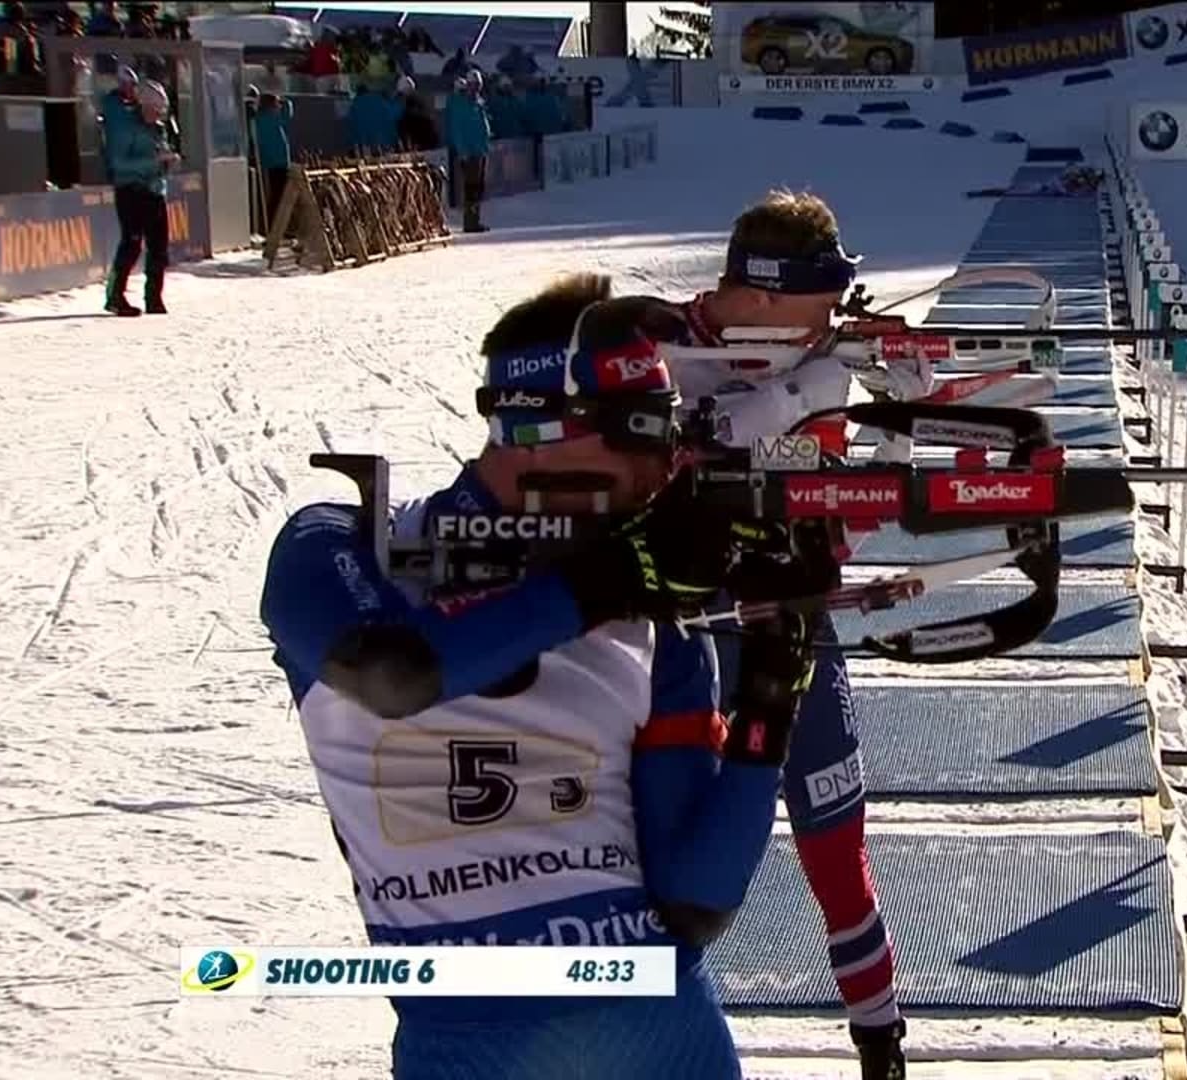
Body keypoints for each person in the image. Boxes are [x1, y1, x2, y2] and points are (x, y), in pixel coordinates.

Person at [260, 272, 818, 1079]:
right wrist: (606, 583)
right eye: (642, 432)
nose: (665, 470)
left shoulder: (652, 617)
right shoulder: (345, 544)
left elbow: (695, 899)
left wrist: (772, 692)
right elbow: (393, 673)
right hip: (466, 1041)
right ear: (533, 427)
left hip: (657, 1025)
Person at [569, 189, 927, 1080]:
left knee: (835, 849)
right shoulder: (645, 340)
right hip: (668, 649)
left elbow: (839, 528)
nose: (834, 318)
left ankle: (881, 1045)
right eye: (821, 300)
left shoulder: (821, 359)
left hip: (790, 637)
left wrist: (896, 438)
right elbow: (608, 477)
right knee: (654, 866)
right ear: (764, 296)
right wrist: (766, 405)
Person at [103, 77, 176, 317]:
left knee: (159, 247)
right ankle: (115, 296)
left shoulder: (158, 129)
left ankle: (154, 297)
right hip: (131, 190)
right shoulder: (126, 127)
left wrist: (167, 163)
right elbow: (118, 163)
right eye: (155, 110)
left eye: (161, 111)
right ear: (143, 105)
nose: (158, 115)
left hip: (155, 190)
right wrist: (153, 161)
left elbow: (159, 156)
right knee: (131, 244)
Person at [444, 70, 491, 234]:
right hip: (470, 153)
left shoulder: (478, 104)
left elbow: (482, 127)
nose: (476, 88)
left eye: (478, 85)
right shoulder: (461, 105)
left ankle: (475, 219)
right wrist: (462, 150)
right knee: (471, 187)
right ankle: (470, 222)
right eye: (473, 85)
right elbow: (458, 129)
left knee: (478, 187)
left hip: (480, 151)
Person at [251, 91, 293, 229]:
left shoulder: (258, 119)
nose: (279, 107)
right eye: (276, 104)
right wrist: (285, 101)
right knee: (279, 196)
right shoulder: (274, 118)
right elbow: (288, 113)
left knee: (275, 195)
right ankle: (275, 224)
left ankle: (271, 224)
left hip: (269, 162)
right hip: (279, 162)